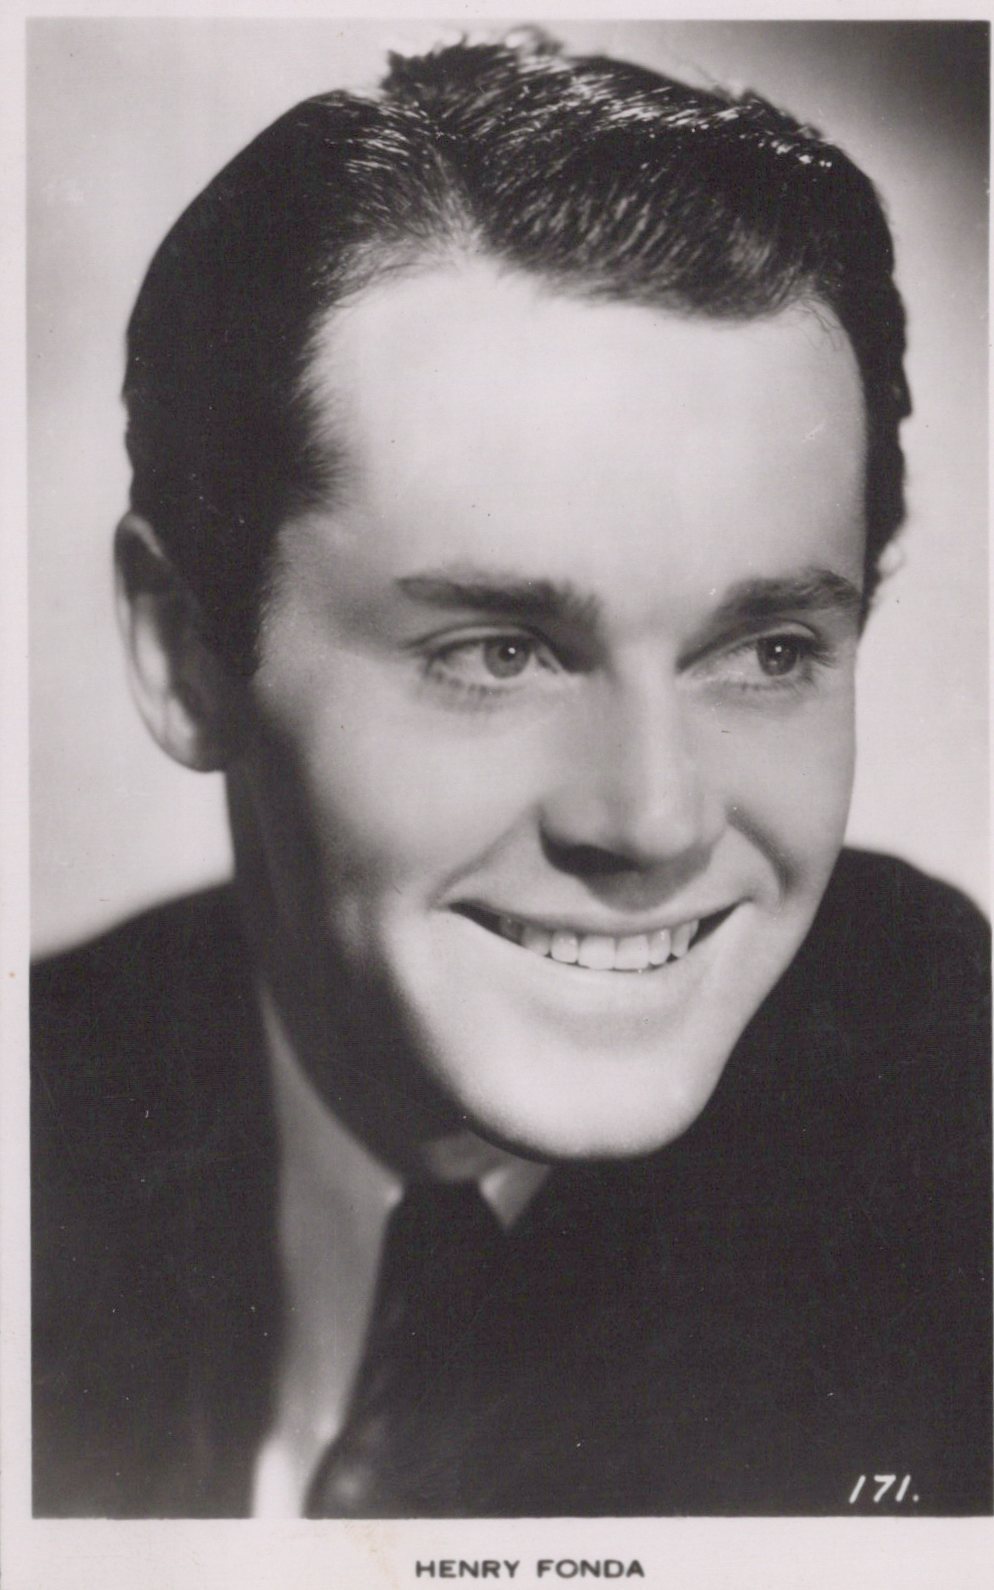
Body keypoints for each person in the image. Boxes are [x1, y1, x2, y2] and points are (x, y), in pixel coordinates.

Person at [31, 31, 991, 1519]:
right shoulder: (53, 1096)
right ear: (180, 651)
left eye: (770, 650)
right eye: (497, 652)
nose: (653, 818)